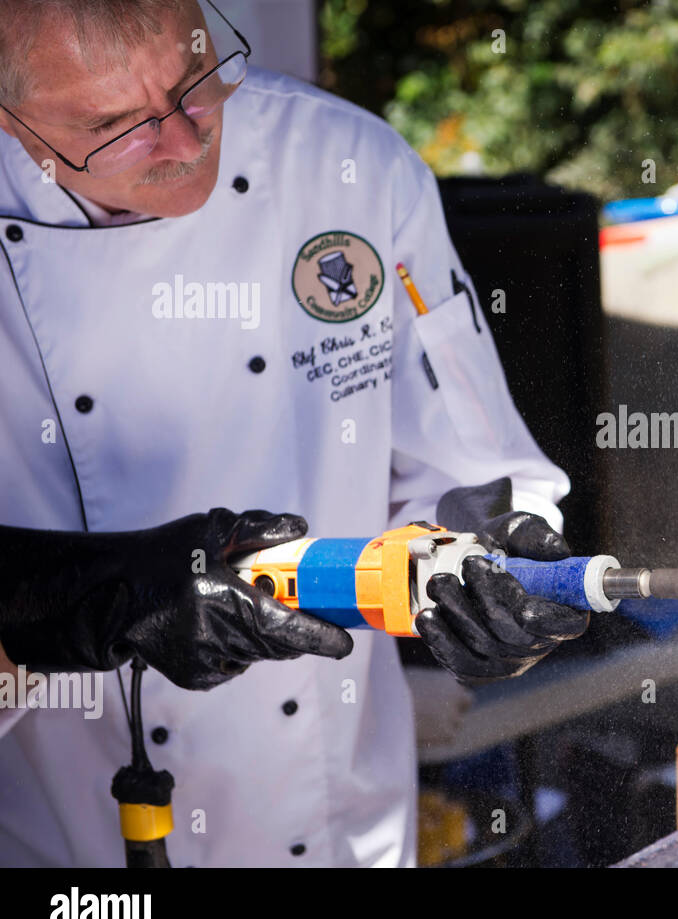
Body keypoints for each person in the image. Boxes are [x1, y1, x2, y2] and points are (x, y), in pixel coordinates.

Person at [0, 0, 587, 866]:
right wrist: (89, 598)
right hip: (67, 853)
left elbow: (467, 460)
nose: (184, 136)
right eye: (114, 124)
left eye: (194, 77)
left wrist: (494, 541)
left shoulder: (347, 165)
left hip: (342, 829)